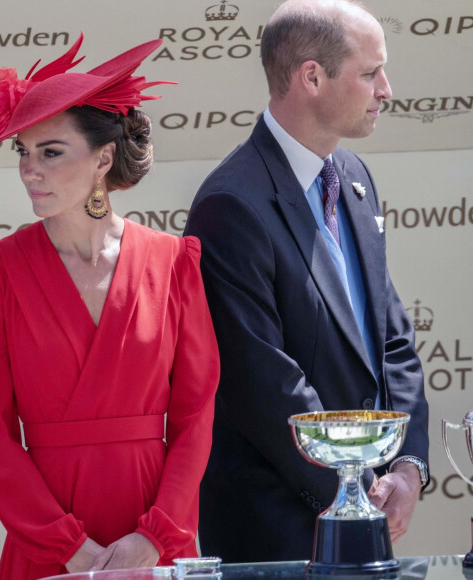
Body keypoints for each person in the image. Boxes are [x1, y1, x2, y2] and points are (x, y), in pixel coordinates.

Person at [0, 35, 219, 579]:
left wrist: (155, 535)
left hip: (156, 536)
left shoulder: (174, 262)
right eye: (23, 153)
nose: (31, 169)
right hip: (50, 546)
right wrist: (68, 550)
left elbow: (195, 415)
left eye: (50, 152)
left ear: (103, 158)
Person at [184, 0, 429, 563]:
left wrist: (408, 466)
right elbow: (262, 382)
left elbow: (391, 338)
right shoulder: (231, 203)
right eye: (369, 73)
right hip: (278, 532)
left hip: (364, 514)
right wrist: (354, 492)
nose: (385, 89)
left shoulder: (354, 176)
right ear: (311, 76)